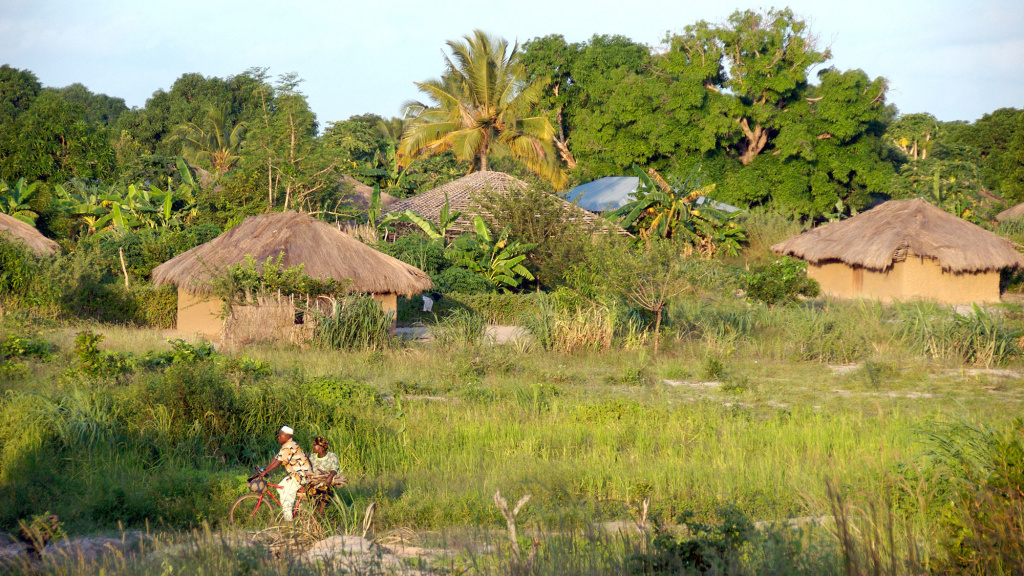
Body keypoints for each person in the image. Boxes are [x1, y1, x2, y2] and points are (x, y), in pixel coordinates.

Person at [257, 425, 312, 522]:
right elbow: (276, 459)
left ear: (287, 437)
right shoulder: (286, 446)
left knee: (286, 499)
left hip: (301, 476)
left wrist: (265, 471)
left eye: (280, 435)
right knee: (280, 488)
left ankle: (289, 524)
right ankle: (292, 508)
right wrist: (265, 469)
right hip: (295, 475)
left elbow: (278, 463)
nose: (278, 437)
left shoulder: (288, 446)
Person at [306, 436, 341, 514]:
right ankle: (314, 509)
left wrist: (330, 477)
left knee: (325, 489)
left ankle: (321, 511)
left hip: (325, 481)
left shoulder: (332, 456)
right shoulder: (312, 457)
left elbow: (334, 468)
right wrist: (306, 458)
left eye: (315, 445)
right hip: (315, 481)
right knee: (310, 490)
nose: (313, 447)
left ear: (321, 447)